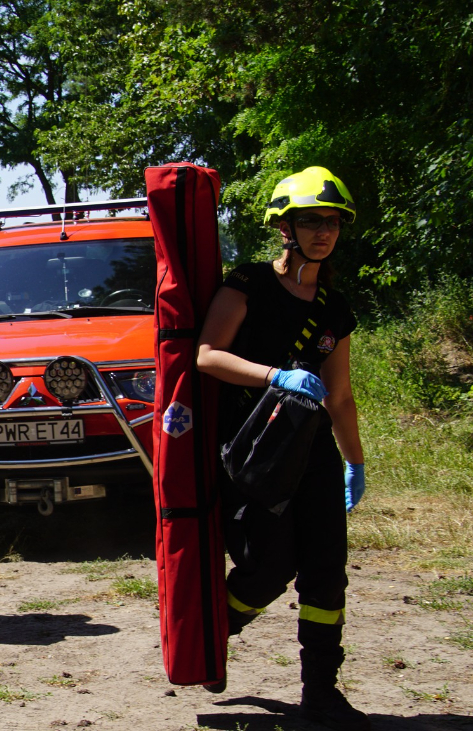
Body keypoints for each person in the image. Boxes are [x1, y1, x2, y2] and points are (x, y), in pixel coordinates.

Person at [196, 167, 368, 731]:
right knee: (268, 569)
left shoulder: (335, 307)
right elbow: (207, 355)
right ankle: (216, 633)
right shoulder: (248, 283)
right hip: (255, 455)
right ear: (284, 228)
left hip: (313, 455)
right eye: (313, 221)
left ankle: (321, 693)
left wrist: (354, 461)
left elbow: (340, 396)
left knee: (326, 573)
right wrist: (275, 375)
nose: (325, 232)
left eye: (333, 223)